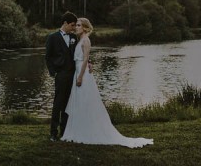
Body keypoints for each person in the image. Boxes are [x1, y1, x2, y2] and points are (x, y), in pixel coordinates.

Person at [61, 18, 153, 148]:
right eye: (76, 25)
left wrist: (81, 76)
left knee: (85, 101)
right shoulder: (79, 40)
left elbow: (86, 59)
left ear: (85, 28)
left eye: (78, 25)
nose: (76, 27)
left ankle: (86, 132)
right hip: (78, 72)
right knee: (80, 102)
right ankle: (79, 130)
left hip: (83, 74)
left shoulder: (86, 40)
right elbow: (85, 59)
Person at [45, 11, 78, 141]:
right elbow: (48, 57)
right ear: (65, 23)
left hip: (72, 75)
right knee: (58, 103)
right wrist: (53, 73)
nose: (74, 28)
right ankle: (53, 133)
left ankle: (65, 132)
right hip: (61, 74)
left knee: (68, 104)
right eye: (72, 25)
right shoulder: (52, 37)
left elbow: (79, 54)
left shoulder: (74, 38)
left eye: (75, 25)